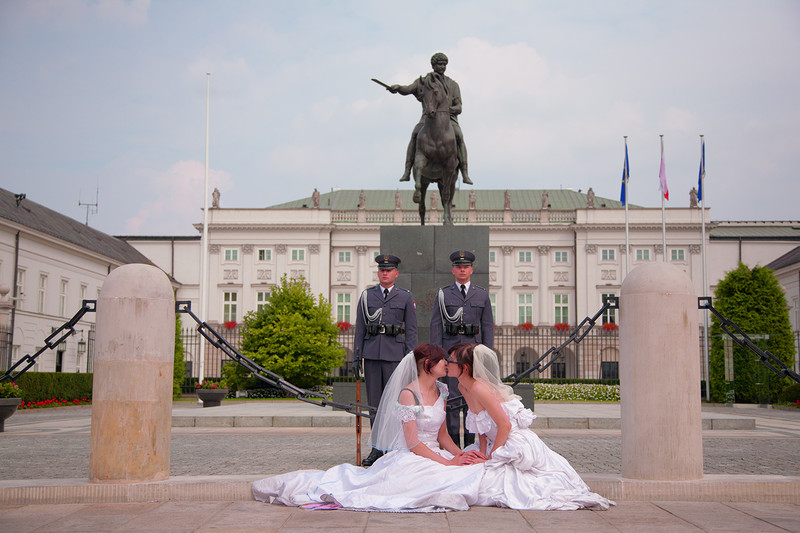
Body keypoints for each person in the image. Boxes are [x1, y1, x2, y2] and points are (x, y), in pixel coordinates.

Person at [252, 345, 485, 512]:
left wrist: (459, 454)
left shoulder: (442, 390)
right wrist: (445, 463)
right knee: (431, 484)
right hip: (413, 456)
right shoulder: (408, 394)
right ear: (428, 365)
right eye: (442, 359)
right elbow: (413, 443)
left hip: (434, 452)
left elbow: (442, 434)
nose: (447, 363)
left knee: (465, 473)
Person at [449, 343, 615, 510]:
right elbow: (481, 424)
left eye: (451, 361)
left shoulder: (479, 388)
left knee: (508, 481)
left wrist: (492, 458)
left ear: (463, 367)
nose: (447, 363)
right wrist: (482, 452)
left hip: (512, 440)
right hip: (496, 440)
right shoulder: (462, 386)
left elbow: (505, 425)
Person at [353, 254, 418, 466]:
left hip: (394, 356)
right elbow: (360, 328)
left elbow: (411, 330)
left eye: (388, 270)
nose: (385, 273)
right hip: (372, 354)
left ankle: (393, 446)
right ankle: (377, 448)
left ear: (396, 273)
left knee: (394, 404)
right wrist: (357, 357)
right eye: (382, 270)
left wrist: (410, 356)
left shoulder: (405, 297)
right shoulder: (366, 296)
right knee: (374, 405)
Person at [430, 250, 494, 447]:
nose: (462, 270)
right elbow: (436, 325)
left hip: (473, 356)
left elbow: (487, 326)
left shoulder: (481, 294)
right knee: (451, 402)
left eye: (465, 267)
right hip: (451, 356)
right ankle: (453, 448)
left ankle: (469, 446)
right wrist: (438, 356)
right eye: (459, 267)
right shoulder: (443, 294)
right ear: (453, 270)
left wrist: (486, 355)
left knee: (472, 403)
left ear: (471, 270)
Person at [387, 52, 473, 186]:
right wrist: (398, 88)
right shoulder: (424, 82)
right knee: (415, 134)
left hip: (448, 120)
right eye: (439, 64)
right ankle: (407, 170)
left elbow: (459, 107)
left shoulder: (453, 84)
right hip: (427, 119)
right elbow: (408, 89)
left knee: (459, 136)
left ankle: (465, 172)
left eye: (444, 64)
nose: (442, 67)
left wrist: (448, 110)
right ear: (433, 65)